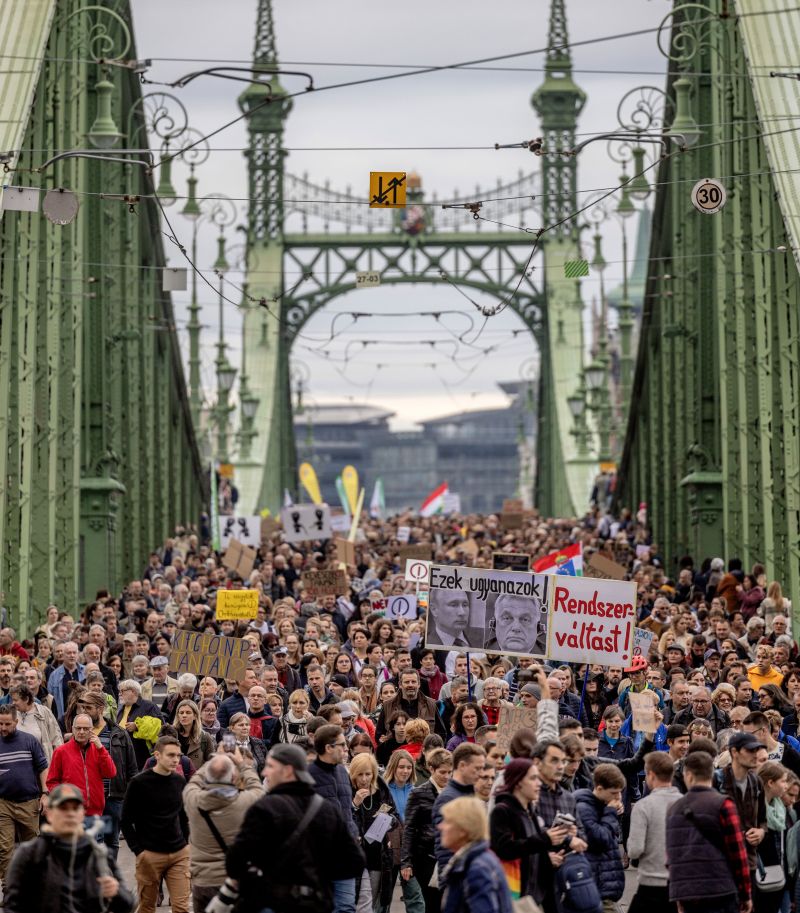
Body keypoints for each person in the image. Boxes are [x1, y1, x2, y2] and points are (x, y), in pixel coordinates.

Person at [221, 743, 366, 913]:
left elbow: (234, 862)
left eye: (270, 766)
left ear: (288, 771)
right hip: (315, 903)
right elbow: (355, 862)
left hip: (270, 903)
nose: (264, 772)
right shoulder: (328, 811)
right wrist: (319, 876)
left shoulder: (264, 809)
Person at [2, 782, 134, 913]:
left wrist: (116, 893)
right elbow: (12, 906)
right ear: (50, 813)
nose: (70, 814)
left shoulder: (98, 854)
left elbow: (128, 904)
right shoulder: (29, 854)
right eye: (63, 808)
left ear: (82, 813)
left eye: (75, 808)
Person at [666, 750, 752, 913]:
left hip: (688, 892)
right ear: (712, 774)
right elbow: (738, 854)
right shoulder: (724, 804)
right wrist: (745, 894)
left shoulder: (674, 808)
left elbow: (672, 856)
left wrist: (678, 895)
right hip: (720, 888)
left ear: (688, 775)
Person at [182, 747, 263, 913]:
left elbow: (194, 781)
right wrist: (242, 764)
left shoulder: (193, 800)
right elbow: (257, 787)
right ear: (233, 777)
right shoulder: (245, 802)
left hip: (203, 882)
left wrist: (214, 759)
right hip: (234, 882)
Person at [121, 734, 190, 913]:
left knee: (181, 908)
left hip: (178, 853)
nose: (176, 760)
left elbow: (183, 816)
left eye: (178, 756)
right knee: (147, 907)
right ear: (157, 755)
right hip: (150, 855)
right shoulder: (139, 783)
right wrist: (138, 851)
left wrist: (186, 844)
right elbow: (125, 820)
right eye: (171, 755)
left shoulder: (179, 781)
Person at [490, 757, 569, 904]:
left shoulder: (529, 811)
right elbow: (505, 849)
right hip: (512, 894)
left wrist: (548, 858)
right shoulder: (502, 811)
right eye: (533, 778)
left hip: (533, 895)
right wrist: (545, 839)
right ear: (518, 781)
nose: (539, 783)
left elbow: (531, 849)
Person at [73, 690, 137, 863]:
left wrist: (130, 798)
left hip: (113, 797)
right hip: (90, 798)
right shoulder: (80, 732)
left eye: (88, 708)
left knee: (111, 842)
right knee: (92, 842)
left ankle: (109, 878)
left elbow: (131, 768)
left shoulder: (118, 733)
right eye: (82, 708)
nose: (84, 712)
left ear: (100, 709)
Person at [310, 723, 360, 913]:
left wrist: (353, 833)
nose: (346, 749)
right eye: (342, 745)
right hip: (319, 856)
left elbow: (347, 810)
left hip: (344, 853)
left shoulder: (342, 771)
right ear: (328, 748)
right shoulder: (308, 775)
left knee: (347, 907)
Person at [0, 702, 49, 885]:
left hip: (29, 801)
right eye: (0, 724)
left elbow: (43, 768)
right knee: (5, 848)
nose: (3, 728)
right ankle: (9, 888)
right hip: (3, 802)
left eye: (7, 724)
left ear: (16, 721)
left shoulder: (29, 740)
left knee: (31, 847)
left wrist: (45, 793)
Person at [627, 751, 682, 913]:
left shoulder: (643, 806)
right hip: (678, 882)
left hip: (651, 883)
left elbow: (635, 850)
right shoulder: (685, 802)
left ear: (650, 775)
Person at [438, 796, 513, 913]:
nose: (440, 826)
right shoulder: (477, 859)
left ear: (463, 829)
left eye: (447, 821)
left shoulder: (477, 869)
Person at [402, 747, 453, 913]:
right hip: (426, 859)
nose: (446, 776)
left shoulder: (454, 792)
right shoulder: (418, 793)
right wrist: (406, 862)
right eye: (442, 772)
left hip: (450, 857)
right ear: (431, 769)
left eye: (449, 772)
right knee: (430, 905)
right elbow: (409, 828)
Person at [575, 763, 627, 913]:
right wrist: (611, 812)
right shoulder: (584, 808)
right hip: (596, 887)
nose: (618, 797)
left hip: (605, 886)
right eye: (614, 793)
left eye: (620, 793)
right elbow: (600, 839)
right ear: (599, 789)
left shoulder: (603, 805)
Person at [350, 751, 398, 912]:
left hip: (378, 854)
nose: (364, 779)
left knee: (373, 903)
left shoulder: (381, 790)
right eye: (360, 775)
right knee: (357, 903)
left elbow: (395, 815)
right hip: (356, 856)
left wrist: (388, 820)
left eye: (368, 774)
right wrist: (355, 804)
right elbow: (344, 820)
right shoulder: (348, 791)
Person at [46, 713, 117, 821]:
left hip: (95, 813)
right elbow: (52, 782)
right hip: (71, 813)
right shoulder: (61, 751)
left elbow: (111, 773)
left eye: (86, 728)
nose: (82, 732)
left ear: (91, 729)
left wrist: (101, 749)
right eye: (78, 728)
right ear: (72, 729)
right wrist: (64, 799)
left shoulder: (98, 750)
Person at [433, 742, 487, 870]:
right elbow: (444, 849)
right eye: (477, 768)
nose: (481, 774)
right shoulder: (448, 798)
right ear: (462, 766)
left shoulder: (470, 794)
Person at [116, 679, 163, 770]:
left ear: (133, 691)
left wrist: (138, 726)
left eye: (122, 691)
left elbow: (160, 729)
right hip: (124, 759)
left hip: (143, 759)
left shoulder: (149, 706)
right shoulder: (121, 709)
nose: (119, 694)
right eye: (119, 691)